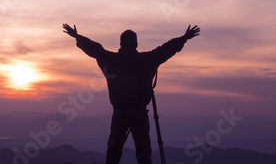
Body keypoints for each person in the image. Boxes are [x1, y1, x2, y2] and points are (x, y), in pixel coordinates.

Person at [62, 23, 200, 164]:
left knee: (113, 152)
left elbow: (96, 49)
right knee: (143, 152)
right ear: (136, 43)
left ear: (121, 43)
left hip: (119, 112)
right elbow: (165, 50)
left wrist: (77, 37)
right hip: (139, 113)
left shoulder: (111, 60)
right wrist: (184, 38)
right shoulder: (147, 59)